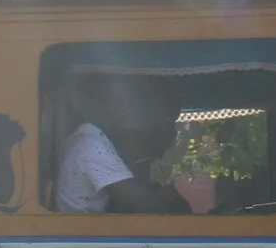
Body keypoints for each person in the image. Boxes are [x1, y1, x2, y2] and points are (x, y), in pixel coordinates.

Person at [55, 77, 188, 214]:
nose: (128, 109)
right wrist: (163, 183)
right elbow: (145, 205)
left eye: (131, 102)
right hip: (83, 232)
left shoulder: (92, 139)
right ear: (100, 106)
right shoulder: (91, 146)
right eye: (118, 101)